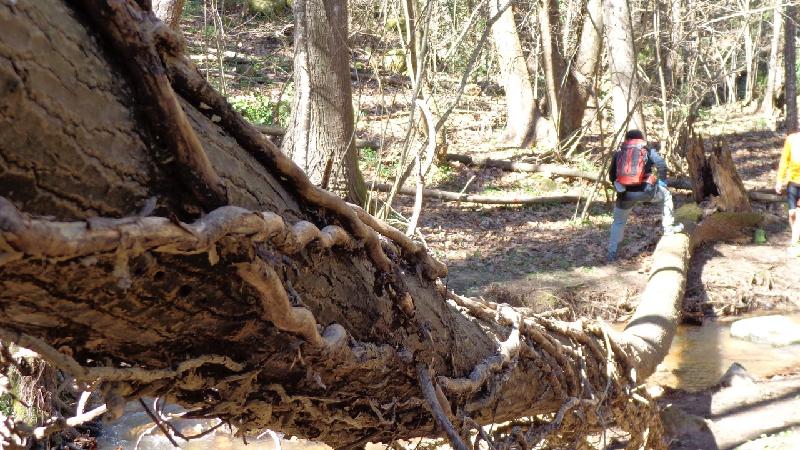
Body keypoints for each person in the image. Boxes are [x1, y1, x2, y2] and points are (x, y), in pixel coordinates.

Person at [607, 129, 683, 262]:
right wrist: (663, 182)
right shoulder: (647, 150)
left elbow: (611, 177)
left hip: (625, 194)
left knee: (618, 222)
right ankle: (668, 228)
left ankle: (612, 253)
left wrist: (621, 186)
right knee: (666, 195)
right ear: (641, 139)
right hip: (646, 191)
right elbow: (661, 164)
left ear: (626, 140)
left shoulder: (619, 154)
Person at [775, 131, 800, 255]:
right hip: (793, 183)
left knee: (798, 214)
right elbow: (784, 161)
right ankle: (796, 236)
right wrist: (779, 181)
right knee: (792, 214)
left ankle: (794, 243)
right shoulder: (791, 139)